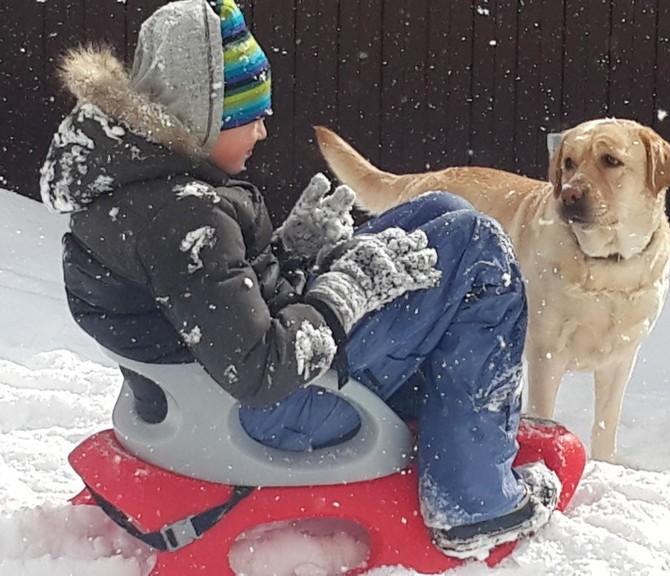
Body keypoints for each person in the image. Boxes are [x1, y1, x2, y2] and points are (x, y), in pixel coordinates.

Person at [39, 0, 558, 559]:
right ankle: (476, 500)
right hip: (269, 414)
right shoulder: (183, 217)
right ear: (198, 114)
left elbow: (200, 304)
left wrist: (288, 256)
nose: (264, 129)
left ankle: (455, 422)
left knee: (441, 212)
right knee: (478, 250)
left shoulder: (139, 187)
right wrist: (343, 292)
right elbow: (261, 368)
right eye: (248, 116)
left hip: (208, 398)